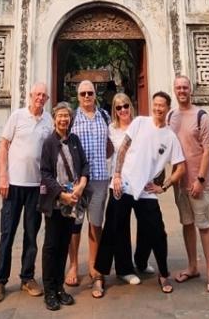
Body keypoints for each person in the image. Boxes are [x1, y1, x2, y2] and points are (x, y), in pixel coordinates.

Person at [104, 91, 185, 294]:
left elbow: (180, 166)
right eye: (155, 104)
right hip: (125, 184)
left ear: (167, 108)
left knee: (156, 230)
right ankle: (102, 273)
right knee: (114, 228)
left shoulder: (170, 136)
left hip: (147, 189)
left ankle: (161, 272)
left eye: (162, 106)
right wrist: (116, 175)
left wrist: (163, 186)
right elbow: (122, 149)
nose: (158, 108)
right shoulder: (140, 122)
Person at [0, 83, 51, 303]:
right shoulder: (17, 116)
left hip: (36, 186)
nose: (40, 98)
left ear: (47, 98)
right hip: (13, 185)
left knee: (31, 234)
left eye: (44, 95)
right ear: (30, 96)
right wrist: (3, 176)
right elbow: (4, 145)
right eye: (37, 94)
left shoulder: (48, 121)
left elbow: (52, 151)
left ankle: (27, 277)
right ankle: (0, 280)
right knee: (7, 233)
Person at [167, 75, 209, 293]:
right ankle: (192, 266)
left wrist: (199, 179)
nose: (181, 91)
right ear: (174, 90)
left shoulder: (202, 116)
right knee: (187, 224)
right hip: (181, 182)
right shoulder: (171, 116)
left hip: (199, 182)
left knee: (204, 226)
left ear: (191, 90)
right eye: (178, 87)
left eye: (185, 87)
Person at [86, 93, 141, 298]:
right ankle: (114, 270)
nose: (123, 110)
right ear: (114, 111)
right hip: (117, 184)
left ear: (131, 106)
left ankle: (141, 262)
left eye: (126, 105)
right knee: (116, 226)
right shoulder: (110, 129)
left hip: (139, 183)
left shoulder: (139, 126)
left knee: (150, 223)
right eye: (118, 107)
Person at [39, 102, 89, 311]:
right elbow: (45, 173)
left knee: (64, 244)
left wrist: (82, 184)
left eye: (66, 116)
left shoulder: (75, 140)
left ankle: (60, 287)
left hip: (73, 202)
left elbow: (84, 165)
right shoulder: (49, 143)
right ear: (54, 119)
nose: (63, 120)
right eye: (60, 116)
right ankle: (49, 290)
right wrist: (62, 194)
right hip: (56, 202)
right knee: (51, 245)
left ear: (70, 119)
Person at [64, 80, 112, 288]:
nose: (86, 97)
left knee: (96, 223)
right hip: (76, 180)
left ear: (95, 94)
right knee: (74, 224)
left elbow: (112, 144)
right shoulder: (72, 118)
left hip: (100, 177)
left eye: (90, 93)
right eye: (82, 93)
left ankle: (94, 264)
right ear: (78, 96)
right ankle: (73, 265)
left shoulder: (105, 116)